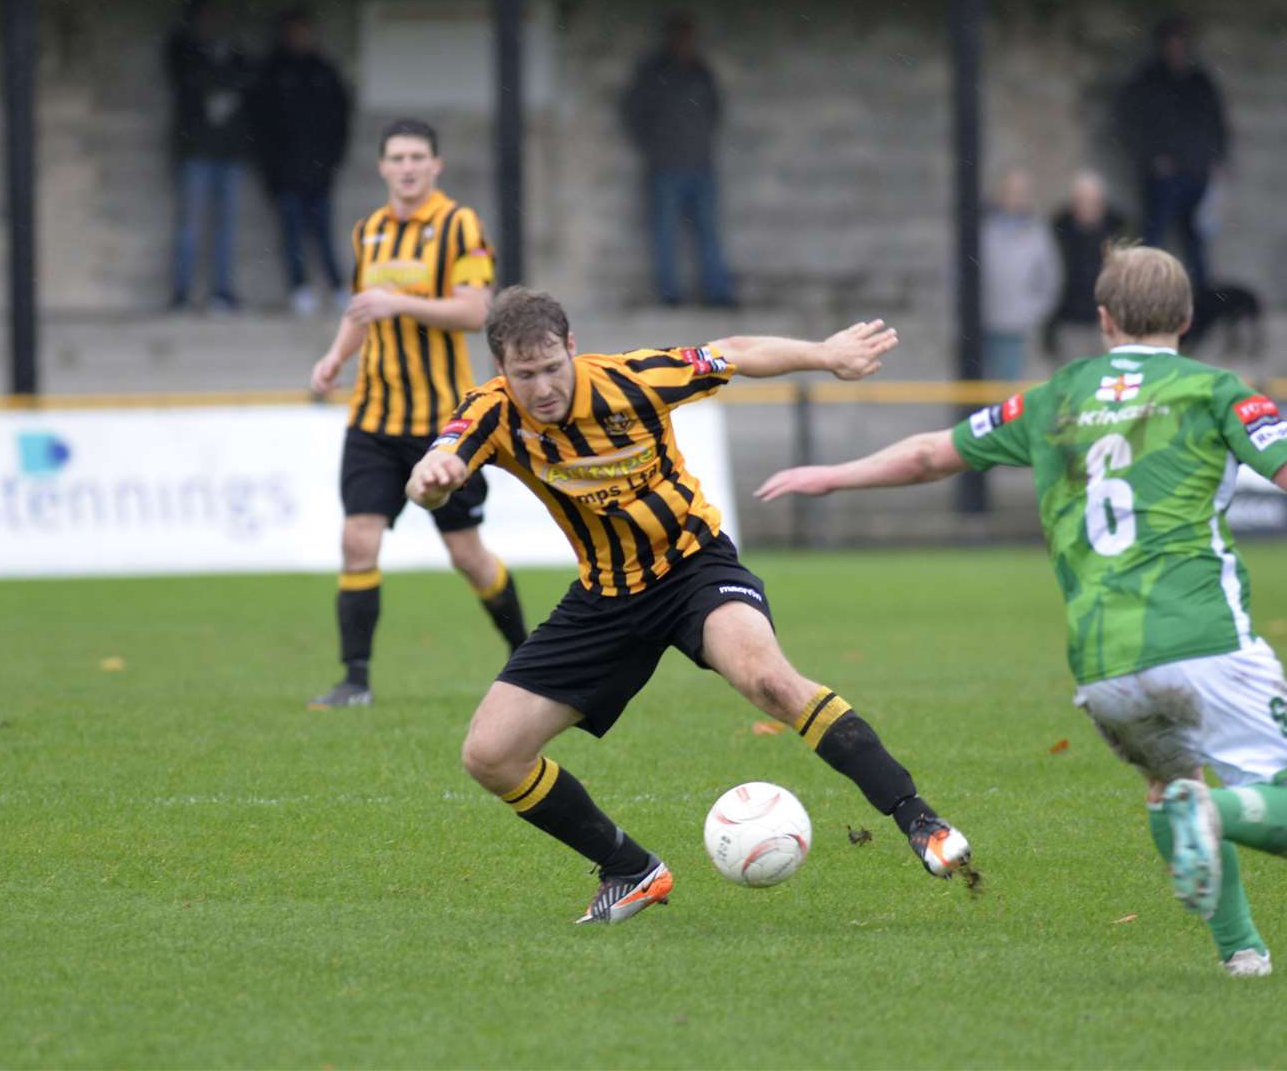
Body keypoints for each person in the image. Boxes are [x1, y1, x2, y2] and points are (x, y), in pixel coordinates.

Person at [755, 246, 1287, 976]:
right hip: (1204, 637)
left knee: (1171, 786)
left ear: (1102, 320)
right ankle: (1216, 822)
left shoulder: (1054, 397)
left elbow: (933, 454)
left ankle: (1242, 956)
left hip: (1103, 663)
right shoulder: (1215, 390)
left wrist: (832, 475)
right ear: (1189, 318)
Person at [402, 287, 971, 923]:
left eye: (551, 368)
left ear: (572, 347)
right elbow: (439, 457)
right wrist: (431, 478)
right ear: (500, 370)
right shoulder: (492, 411)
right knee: (490, 755)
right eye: (524, 374)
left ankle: (921, 822)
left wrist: (824, 354)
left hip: (693, 568)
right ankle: (630, 868)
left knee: (769, 680)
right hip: (606, 599)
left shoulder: (633, 381)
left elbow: (734, 351)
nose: (541, 388)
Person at [306, 120, 527, 709]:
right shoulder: (369, 232)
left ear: (436, 166)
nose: (406, 167)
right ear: (381, 167)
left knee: (467, 555)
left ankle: (525, 654)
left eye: (417, 157)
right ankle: (355, 679)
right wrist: (333, 357)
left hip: (445, 427)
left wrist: (397, 301)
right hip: (374, 420)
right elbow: (361, 312)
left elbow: (474, 310)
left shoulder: (460, 226)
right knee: (358, 540)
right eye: (397, 157)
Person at [620, 14, 736, 308]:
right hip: (666, 168)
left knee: (708, 232)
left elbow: (715, 110)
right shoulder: (654, 72)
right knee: (666, 233)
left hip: (701, 166)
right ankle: (669, 294)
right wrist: (655, 147)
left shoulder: (701, 72)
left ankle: (717, 293)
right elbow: (634, 112)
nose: (686, 43)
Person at [249, 8, 352, 316]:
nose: (300, 37)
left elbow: (340, 121)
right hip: (286, 174)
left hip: (319, 173)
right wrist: (273, 172)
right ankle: (300, 290)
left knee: (323, 234)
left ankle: (337, 288)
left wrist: (331, 162)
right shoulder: (273, 72)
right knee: (292, 234)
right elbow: (261, 128)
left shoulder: (324, 71)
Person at [1114, 17, 1229, 287]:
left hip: (1197, 175)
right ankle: (1143, 296)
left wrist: (1217, 161)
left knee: (1196, 244)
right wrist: (1152, 158)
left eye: (1181, 43)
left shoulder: (1200, 82)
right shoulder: (1147, 81)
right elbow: (1128, 124)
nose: (1177, 48)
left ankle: (1201, 308)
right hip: (1162, 177)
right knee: (1153, 239)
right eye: (1172, 42)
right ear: (1162, 45)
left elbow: (1217, 124)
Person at [164, 0, 251, 311]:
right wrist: (217, 82)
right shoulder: (184, 49)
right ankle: (182, 294)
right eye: (206, 16)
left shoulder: (233, 51)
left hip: (229, 152)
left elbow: (247, 83)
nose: (212, 22)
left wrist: (222, 80)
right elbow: (188, 83)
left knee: (225, 227)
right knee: (190, 225)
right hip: (196, 151)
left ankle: (222, 293)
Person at [981, 169, 1062, 381]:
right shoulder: (985, 229)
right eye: (1010, 192)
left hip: (1022, 325)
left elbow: (1050, 277)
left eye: (1020, 192)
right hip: (987, 320)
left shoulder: (1037, 232)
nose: (1014, 198)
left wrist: (1033, 310)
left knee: (1016, 385)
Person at [1044, 171, 1125, 361]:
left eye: (1092, 201)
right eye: (1082, 200)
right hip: (1069, 321)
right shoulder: (1060, 231)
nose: (1087, 207)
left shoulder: (1117, 231)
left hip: (1107, 322)